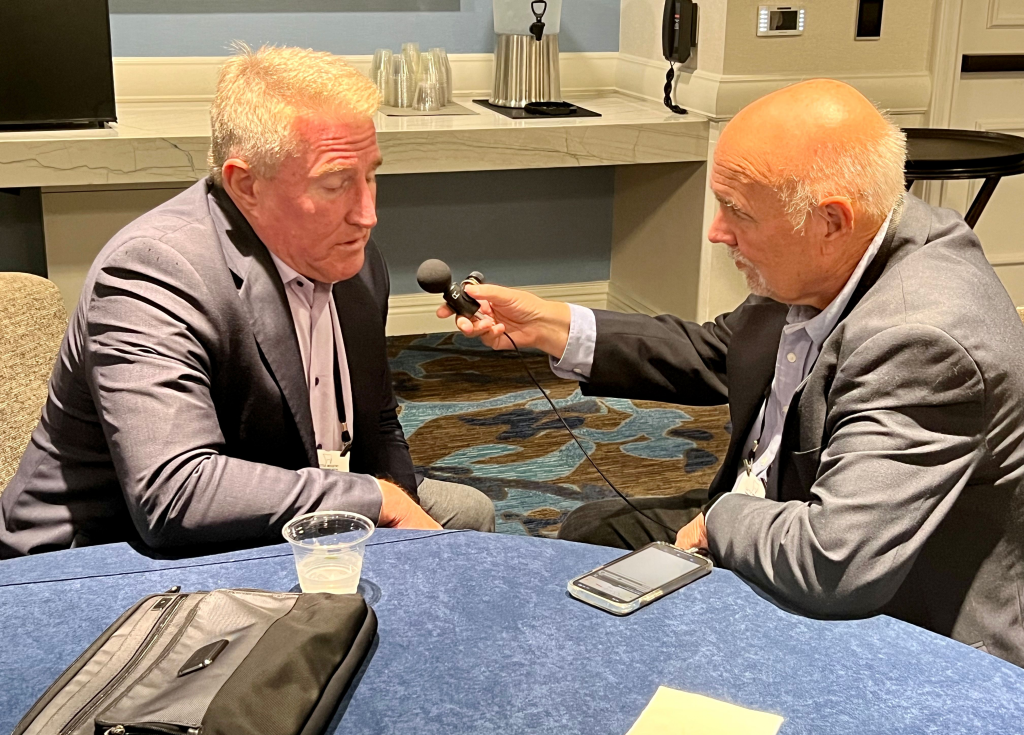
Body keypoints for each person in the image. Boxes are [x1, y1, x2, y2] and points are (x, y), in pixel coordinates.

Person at [441, 79, 1024, 665]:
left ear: (830, 221)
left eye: (737, 212)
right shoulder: (846, 246)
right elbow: (724, 350)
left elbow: (833, 562)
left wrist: (719, 519)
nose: (716, 232)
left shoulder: (921, 340)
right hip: (783, 514)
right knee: (596, 531)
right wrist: (549, 324)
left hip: (897, 622)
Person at [0, 45, 495, 558]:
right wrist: (375, 500)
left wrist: (404, 523)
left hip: (282, 489)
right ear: (245, 183)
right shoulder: (153, 271)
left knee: (466, 514)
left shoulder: (353, 257)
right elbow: (175, 494)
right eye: (335, 184)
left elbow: (378, 421)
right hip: (106, 548)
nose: (367, 214)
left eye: (370, 175)